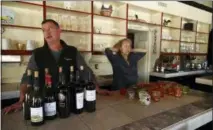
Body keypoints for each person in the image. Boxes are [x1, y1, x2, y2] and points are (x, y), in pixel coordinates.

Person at [3, 19, 111, 114]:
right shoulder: (38, 53)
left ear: (59, 30)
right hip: (46, 103)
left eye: (50, 28)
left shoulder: (72, 51)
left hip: (69, 102)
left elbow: (86, 71)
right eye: (44, 30)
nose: (47, 32)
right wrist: (21, 100)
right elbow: (28, 77)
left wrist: (98, 89)